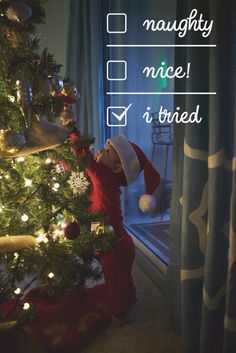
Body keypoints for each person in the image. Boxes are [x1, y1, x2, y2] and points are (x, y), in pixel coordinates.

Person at [70, 133, 161, 323]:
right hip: (118, 240)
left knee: (114, 281)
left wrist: (71, 129)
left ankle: (119, 313)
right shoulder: (105, 179)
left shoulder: (104, 177)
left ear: (117, 167)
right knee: (122, 277)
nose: (102, 150)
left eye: (109, 150)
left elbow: (84, 157)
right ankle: (130, 297)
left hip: (115, 245)